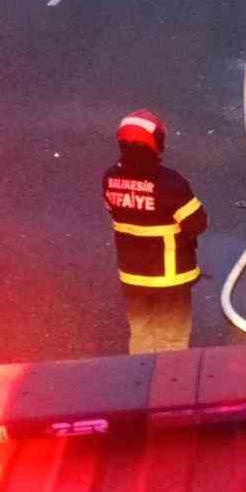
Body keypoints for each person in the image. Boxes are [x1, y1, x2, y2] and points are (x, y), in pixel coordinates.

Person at [102, 110, 208, 354]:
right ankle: (171, 386)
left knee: (140, 334)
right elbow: (197, 224)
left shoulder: (109, 178)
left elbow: (112, 210)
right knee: (172, 339)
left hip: (132, 276)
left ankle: (141, 383)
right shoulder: (171, 183)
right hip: (171, 277)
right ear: (157, 143)